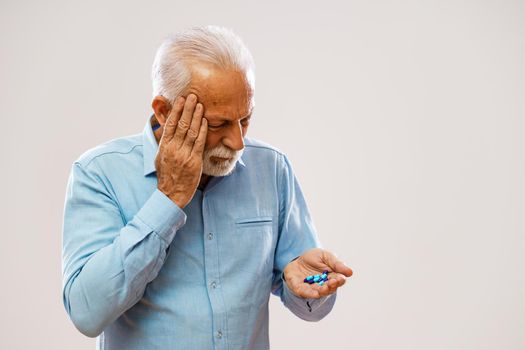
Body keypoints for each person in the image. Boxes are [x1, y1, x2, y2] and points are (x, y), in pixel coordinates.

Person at [61, 25, 353, 349]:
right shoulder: (99, 173)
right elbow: (87, 313)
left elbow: (308, 303)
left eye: (245, 119)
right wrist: (168, 199)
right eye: (217, 124)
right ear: (163, 111)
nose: (237, 142)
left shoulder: (271, 169)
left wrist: (307, 288)